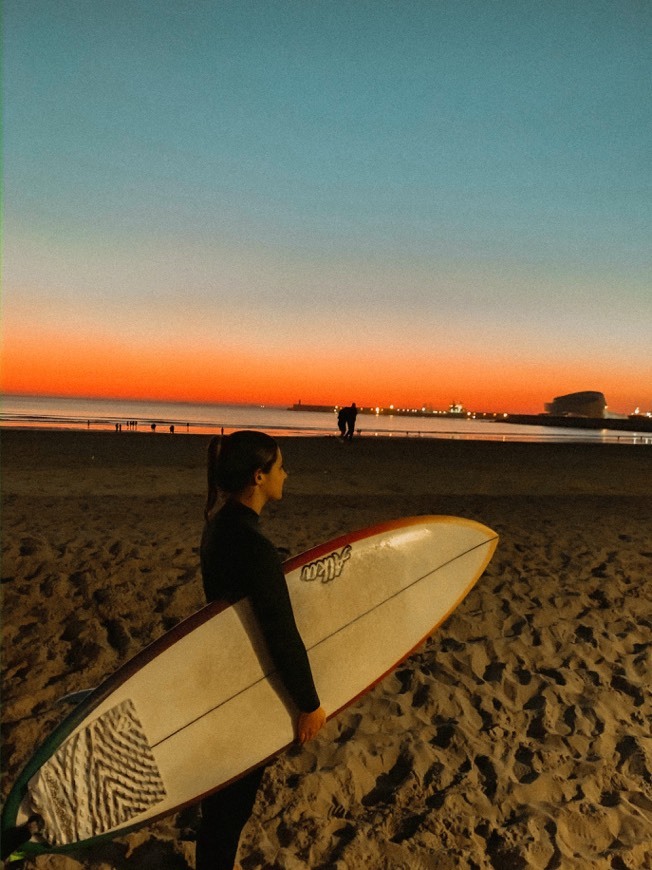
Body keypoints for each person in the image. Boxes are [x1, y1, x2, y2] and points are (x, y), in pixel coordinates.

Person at [197, 431, 326, 870]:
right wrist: (309, 704)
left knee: (223, 803)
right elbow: (280, 632)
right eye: (280, 467)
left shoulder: (220, 524)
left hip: (225, 671)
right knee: (232, 805)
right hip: (245, 682)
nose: (285, 474)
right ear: (259, 476)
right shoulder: (252, 544)